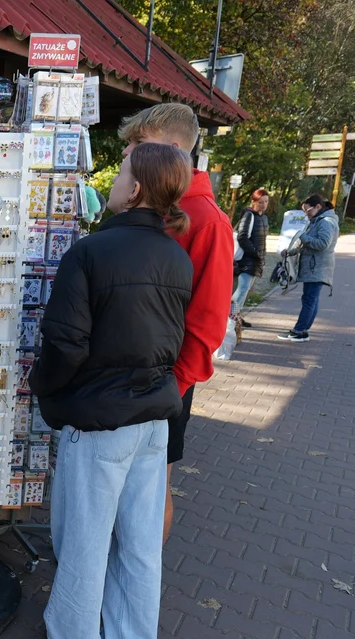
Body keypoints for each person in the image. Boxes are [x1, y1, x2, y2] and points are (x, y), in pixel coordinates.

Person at [29, 143, 194, 639]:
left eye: (121, 171)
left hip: (101, 423)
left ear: (137, 189)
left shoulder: (90, 251)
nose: (116, 179)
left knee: (85, 542)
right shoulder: (175, 255)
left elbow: (64, 344)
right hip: (153, 420)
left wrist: (46, 394)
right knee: (142, 546)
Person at [118, 103, 233, 544]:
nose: (128, 151)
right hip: (132, 380)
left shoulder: (207, 220)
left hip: (163, 385)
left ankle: (138, 593)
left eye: (137, 143)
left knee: (150, 490)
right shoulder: (153, 205)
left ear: (169, 149)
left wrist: (173, 388)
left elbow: (207, 324)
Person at [278, 194, 338, 342]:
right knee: (311, 299)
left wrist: (303, 236)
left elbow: (323, 244)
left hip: (317, 267)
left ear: (318, 207)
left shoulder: (326, 222)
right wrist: (290, 252)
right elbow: (306, 244)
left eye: (308, 210)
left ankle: (299, 331)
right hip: (314, 266)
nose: (306, 214)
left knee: (309, 299)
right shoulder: (316, 220)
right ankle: (302, 330)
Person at [232, 188, 270, 326]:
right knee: (242, 288)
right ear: (253, 202)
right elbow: (242, 236)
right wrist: (255, 253)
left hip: (256, 259)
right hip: (247, 259)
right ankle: (229, 316)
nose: (263, 205)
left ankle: (236, 316)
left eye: (266, 202)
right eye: (260, 202)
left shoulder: (263, 217)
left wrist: (260, 256)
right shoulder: (249, 215)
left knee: (245, 289)